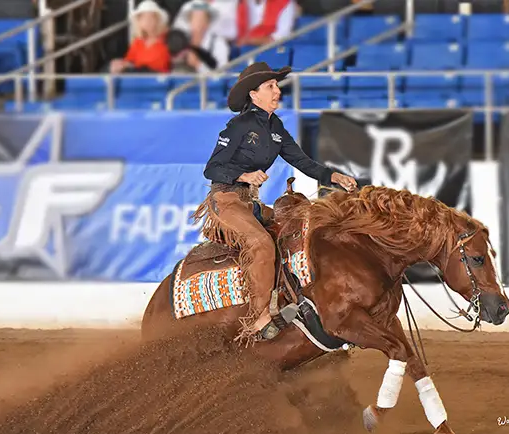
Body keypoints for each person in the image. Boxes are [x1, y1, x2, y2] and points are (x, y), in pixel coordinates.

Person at [193, 62, 359, 342]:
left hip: (250, 203)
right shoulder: (239, 125)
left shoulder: (276, 127)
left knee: (295, 229)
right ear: (253, 94)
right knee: (260, 243)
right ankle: (257, 319)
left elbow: (302, 161)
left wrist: (333, 176)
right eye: (270, 86)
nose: (277, 90)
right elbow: (212, 169)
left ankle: (290, 298)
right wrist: (244, 175)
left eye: (277, 85)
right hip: (226, 199)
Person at [110, 0, 172, 74]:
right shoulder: (138, 42)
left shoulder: (167, 38)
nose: (147, 21)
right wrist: (120, 64)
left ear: (157, 20)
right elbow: (129, 62)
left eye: (151, 17)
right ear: (139, 22)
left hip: (160, 77)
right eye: (143, 18)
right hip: (139, 77)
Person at [172, 0, 231, 74]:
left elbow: (222, 75)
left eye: (201, 19)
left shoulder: (219, 43)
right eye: (194, 18)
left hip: (207, 80)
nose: (197, 23)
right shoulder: (181, 40)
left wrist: (198, 65)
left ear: (208, 22)